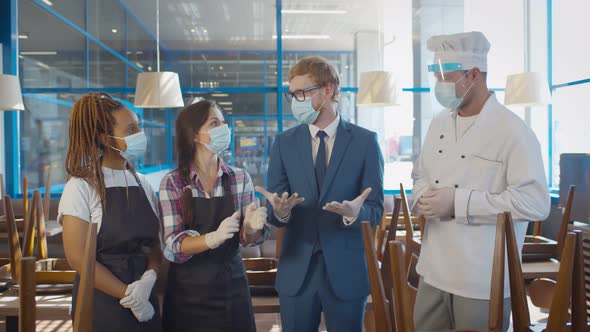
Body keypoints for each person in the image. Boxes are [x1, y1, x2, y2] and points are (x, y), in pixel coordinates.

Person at [411, 31, 550, 331]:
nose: (439, 86)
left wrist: (459, 203)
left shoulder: (513, 131)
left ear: (474, 74)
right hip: (432, 271)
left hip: (482, 280)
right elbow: (420, 175)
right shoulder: (437, 124)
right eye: (436, 76)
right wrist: (421, 196)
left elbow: (536, 203)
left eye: (446, 77)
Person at [256, 56, 384, 332]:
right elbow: (274, 209)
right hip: (296, 272)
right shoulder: (283, 144)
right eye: (293, 95)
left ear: (328, 90)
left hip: (347, 271)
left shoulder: (365, 143)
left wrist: (355, 214)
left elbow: (375, 210)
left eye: (303, 92)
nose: (296, 101)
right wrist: (279, 212)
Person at [159, 100, 269, 332]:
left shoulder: (240, 178)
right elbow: (173, 243)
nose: (224, 128)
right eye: (214, 122)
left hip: (232, 288)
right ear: (195, 135)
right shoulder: (173, 182)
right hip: (187, 294)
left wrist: (250, 229)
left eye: (224, 122)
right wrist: (212, 238)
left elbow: (250, 239)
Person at [59, 93, 162, 331]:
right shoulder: (81, 185)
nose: (140, 134)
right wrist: (128, 294)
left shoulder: (142, 183)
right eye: (131, 129)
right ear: (105, 138)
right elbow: (78, 258)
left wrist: (149, 278)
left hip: (145, 296)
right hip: (101, 301)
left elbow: (156, 244)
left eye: (139, 127)